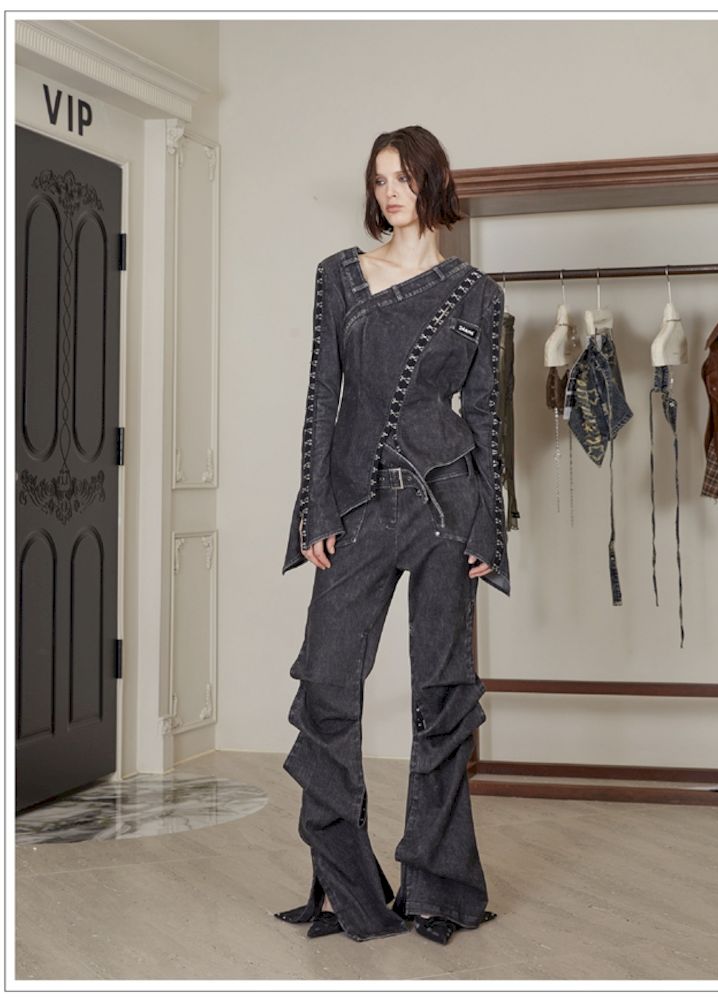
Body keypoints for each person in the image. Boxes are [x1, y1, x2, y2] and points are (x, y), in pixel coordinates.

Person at [274, 126, 509, 946]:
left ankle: (438, 890)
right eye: (380, 180)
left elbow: (485, 416)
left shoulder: (477, 293)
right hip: (359, 506)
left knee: (441, 697)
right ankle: (345, 889)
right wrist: (314, 511)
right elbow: (322, 399)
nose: (390, 192)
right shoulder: (340, 276)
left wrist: (489, 529)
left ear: (432, 183)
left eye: (404, 177)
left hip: (447, 507)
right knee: (327, 690)